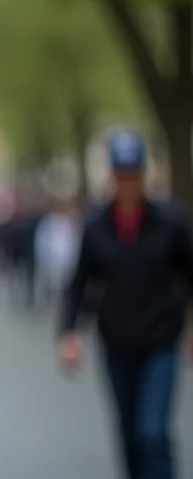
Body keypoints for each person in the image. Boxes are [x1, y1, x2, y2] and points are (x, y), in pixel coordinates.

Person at [58, 129, 193, 479]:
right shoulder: (96, 227)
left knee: (153, 431)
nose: (128, 182)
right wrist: (69, 333)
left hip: (161, 340)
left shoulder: (170, 223)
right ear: (113, 176)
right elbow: (78, 284)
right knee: (129, 432)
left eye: (134, 174)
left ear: (143, 174)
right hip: (116, 340)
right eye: (122, 174)